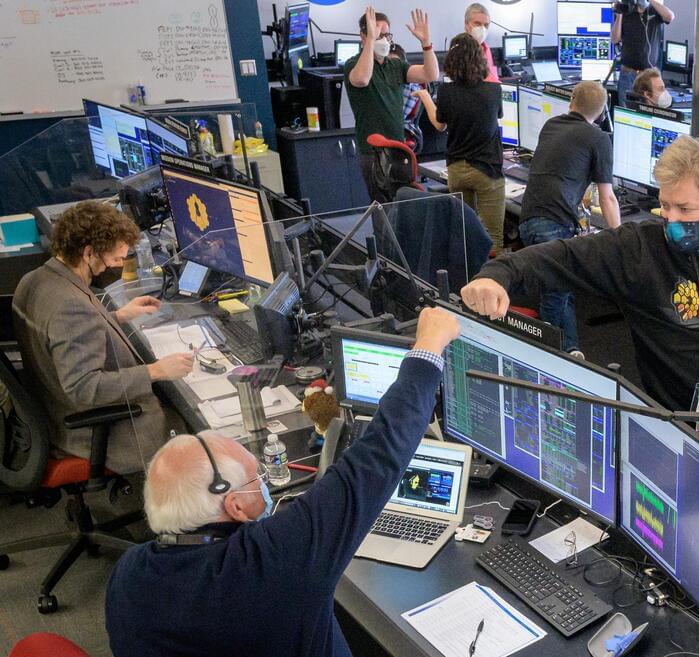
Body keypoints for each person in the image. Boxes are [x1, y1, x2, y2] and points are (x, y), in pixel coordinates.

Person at [462, 135, 699, 473]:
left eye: (685, 209)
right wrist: (498, 274)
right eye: (665, 206)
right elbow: (562, 257)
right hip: (671, 428)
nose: (671, 220)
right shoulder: (640, 249)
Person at [105, 307, 460, 657]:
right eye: (256, 477)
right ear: (234, 505)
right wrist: (428, 349)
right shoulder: (271, 561)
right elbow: (378, 455)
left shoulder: (128, 572)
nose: (263, 484)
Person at [12, 201, 192, 474]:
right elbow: (84, 387)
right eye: (115, 259)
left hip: (52, 409)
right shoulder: (70, 306)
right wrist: (156, 371)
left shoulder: (35, 279)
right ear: (88, 252)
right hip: (97, 433)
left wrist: (118, 316)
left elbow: (62, 336)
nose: (118, 266)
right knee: (194, 431)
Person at [515, 80, 621, 357]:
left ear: (571, 101)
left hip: (527, 219)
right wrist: (620, 238)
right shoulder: (599, 138)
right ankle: (547, 355)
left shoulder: (551, 125)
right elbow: (607, 198)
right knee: (554, 295)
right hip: (553, 223)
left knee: (562, 288)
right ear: (602, 112)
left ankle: (572, 350)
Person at [415, 34, 505, 252]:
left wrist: (426, 98)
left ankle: (468, 270)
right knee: (493, 237)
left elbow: (440, 125)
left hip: (456, 169)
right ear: (479, 59)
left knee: (465, 233)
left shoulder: (446, 91)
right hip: (487, 170)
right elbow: (497, 116)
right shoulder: (493, 90)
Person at [345, 6, 439, 202]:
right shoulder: (353, 64)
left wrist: (426, 44)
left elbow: (430, 74)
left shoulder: (395, 65)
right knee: (384, 208)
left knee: (404, 205)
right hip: (373, 153)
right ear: (363, 36)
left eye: (386, 35)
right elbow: (362, 79)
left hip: (399, 148)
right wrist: (371, 40)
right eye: (378, 34)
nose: (384, 40)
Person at [611, 0, 675, 104]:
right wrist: (619, 15)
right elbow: (615, 39)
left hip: (648, 76)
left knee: (648, 108)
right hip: (628, 73)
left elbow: (669, 16)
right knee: (625, 108)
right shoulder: (627, 11)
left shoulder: (655, 11)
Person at [464, 3, 500, 82]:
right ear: (466, 24)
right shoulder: (460, 50)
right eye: (477, 24)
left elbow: (491, 76)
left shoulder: (485, 48)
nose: (482, 29)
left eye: (486, 25)